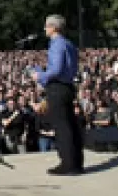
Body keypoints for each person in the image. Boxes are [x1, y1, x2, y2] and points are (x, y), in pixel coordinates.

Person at [32, 14, 83, 175]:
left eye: (46, 26)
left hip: (57, 88)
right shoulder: (69, 44)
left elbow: (56, 69)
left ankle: (67, 164)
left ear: (54, 28)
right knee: (70, 125)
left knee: (62, 127)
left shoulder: (56, 44)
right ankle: (76, 163)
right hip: (67, 86)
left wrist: (40, 76)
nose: (44, 29)